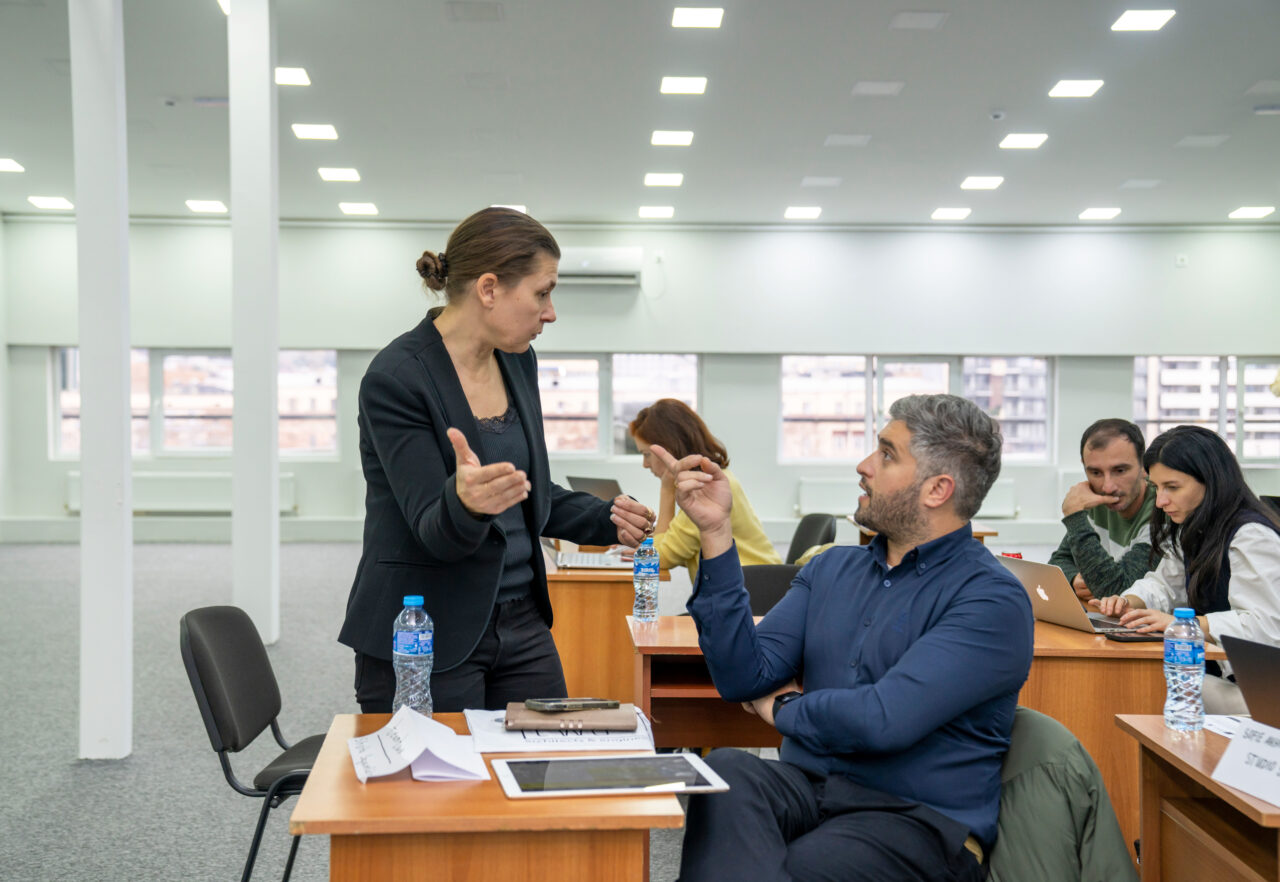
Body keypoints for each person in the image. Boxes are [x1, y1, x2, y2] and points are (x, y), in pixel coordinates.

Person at [655, 394, 1033, 882]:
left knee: (796, 864)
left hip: (914, 818)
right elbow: (742, 677)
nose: (864, 465)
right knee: (727, 771)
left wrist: (783, 708)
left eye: (887, 454)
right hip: (810, 788)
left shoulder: (991, 599)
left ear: (938, 489)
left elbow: (883, 719)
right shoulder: (832, 568)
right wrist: (715, 533)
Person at [339, 207, 654, 714]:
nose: (550, 312)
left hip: (522, 622)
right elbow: (434, 529)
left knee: (548, 753)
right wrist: (466, 503)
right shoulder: (396, 378)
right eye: (542, 293)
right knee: (445, 769)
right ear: (489, 289)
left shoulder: (517, 359)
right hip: (428, 629)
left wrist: (606, 517)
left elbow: (524, 491)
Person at [1091, 425, 1280, 714]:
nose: (1160, 501)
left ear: (1211, 481)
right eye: (1156, 488)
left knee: (1143, 687)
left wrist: (1185, 625)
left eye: (1173, 487)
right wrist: (1129, 603)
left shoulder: (1252, 535)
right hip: (1224, 674)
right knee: (1136, 682)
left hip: (1259, 689)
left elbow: (1265, 626)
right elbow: (1164, 585)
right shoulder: (1193, 526)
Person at [629, 398, 781, 577]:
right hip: (751, 581)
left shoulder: (704, 488)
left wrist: (667, 489)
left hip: (755, 586)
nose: (645, 464)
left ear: (668, 450)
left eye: (647, 455)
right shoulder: (711, 479)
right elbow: (675, 547)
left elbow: (659, 558)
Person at [1048, 418, 1157, 601]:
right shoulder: (1095, 500)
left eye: (1120, 470)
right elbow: (1059, 561)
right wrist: (1074, 579)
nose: (1107, 487)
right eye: (1095, 473)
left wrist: (1075, 518)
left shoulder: (1163, 508)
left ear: (1144, 467)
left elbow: (1120, 591)